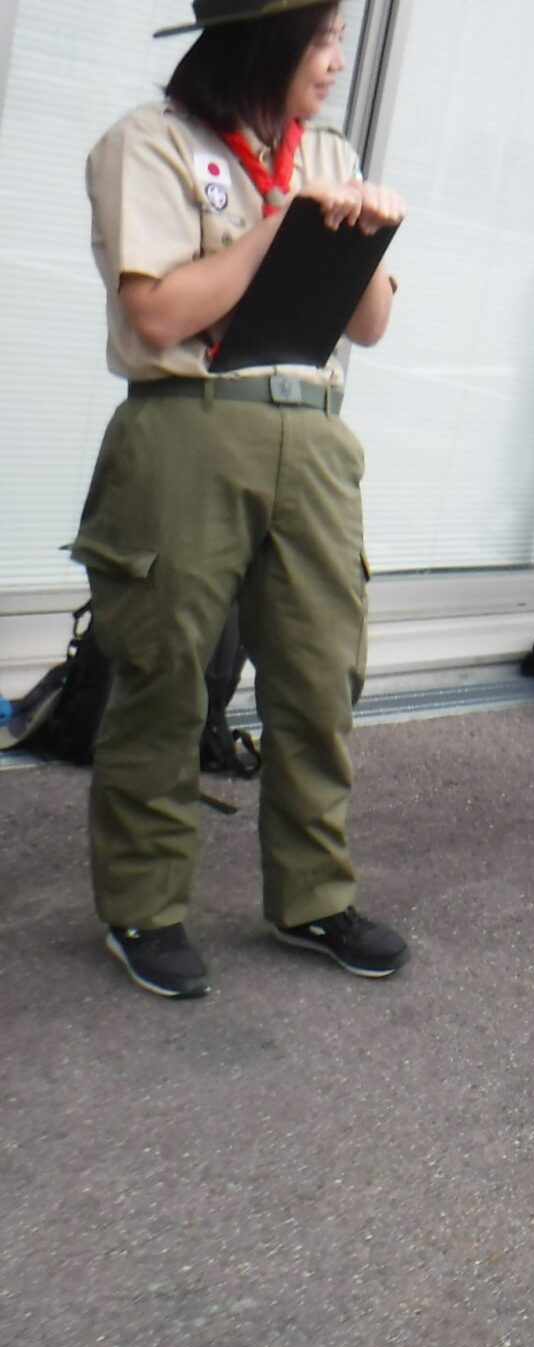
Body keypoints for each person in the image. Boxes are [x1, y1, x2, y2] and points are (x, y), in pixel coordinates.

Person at [80, 0, 407, 999]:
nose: (336, 60)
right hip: (187, 417)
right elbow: (159, 308)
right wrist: (280, 227)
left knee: (321, 671)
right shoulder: (151, 144)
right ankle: (144, 905)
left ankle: (313, 895)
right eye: (322, 39)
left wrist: (360, 234)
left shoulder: (329, 150)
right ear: (263, 44)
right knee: (164, 670)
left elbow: (375, 321)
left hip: (309, 426)